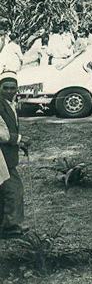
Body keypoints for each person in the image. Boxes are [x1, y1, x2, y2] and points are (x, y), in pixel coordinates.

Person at [0, 71, 30, 238]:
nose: (10, 91)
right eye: (6, 88)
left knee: (5, 190)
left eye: (13, 88)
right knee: (14, 190)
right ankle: (10, 226)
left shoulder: (9, 103)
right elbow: (2, 134)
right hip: (2, 156)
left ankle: (6, 225)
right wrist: (20, 139)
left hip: (7, 154)